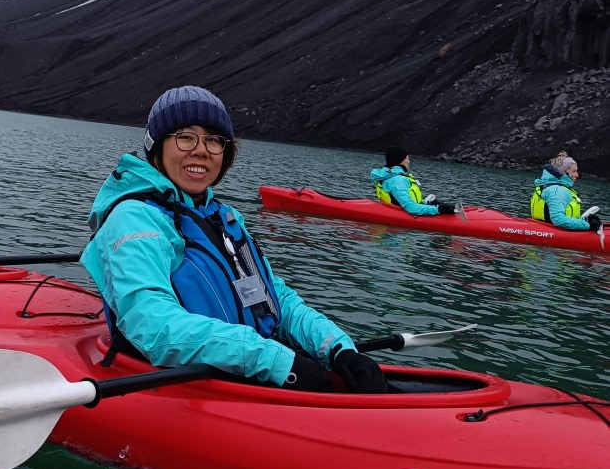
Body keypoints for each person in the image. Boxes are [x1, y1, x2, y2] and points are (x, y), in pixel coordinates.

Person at [81, 85, 388, 394]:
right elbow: (152, 325)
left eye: (214, 140)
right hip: (176, 382)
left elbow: (274, 298)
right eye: (185, 137)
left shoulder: (223, 217)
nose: (201, 150)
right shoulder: (133, 218)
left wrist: (338, 349)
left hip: (246, 369)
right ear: (157, 146)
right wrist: (275, 360)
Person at [370, 147, 456, 218]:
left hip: (401, 210)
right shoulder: (397, 180)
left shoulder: (397, 177)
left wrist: (427, 203)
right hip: (400, 226)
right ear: (400, 161)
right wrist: (439, 209)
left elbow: (405, 201)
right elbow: (411, 208)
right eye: (407, 158)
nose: (409, 161)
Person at [530, 151, 601, 232]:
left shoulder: (549, 186)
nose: (577, 175)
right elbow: (558, 220)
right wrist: (588, 225)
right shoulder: (557, 191)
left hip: (545, 228)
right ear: (564, 173)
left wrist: (585, 219)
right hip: (553, 233)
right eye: (574, 171)